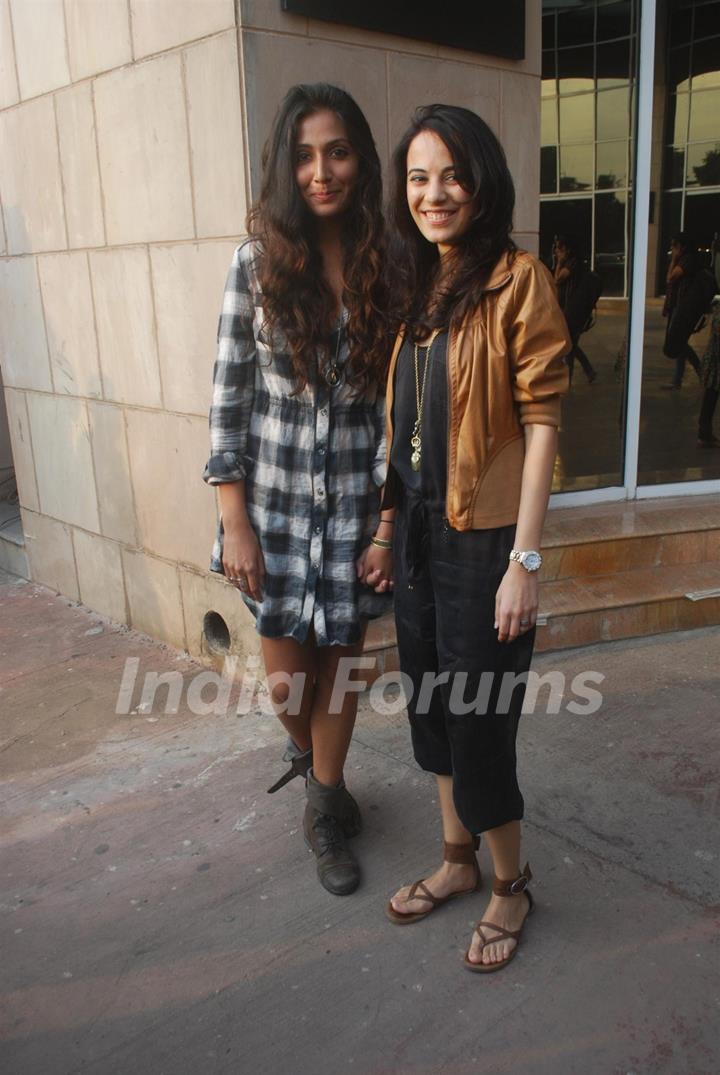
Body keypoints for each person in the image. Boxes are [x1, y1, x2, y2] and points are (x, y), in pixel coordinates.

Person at [375, 104, 570, 972]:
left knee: (481, 718)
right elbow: (407, 428)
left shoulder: (516, 280)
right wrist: (387, 528)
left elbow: (542, 424)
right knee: (431, 707)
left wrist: (524, 561)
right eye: (418, 177)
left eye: (450, 173)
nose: (434, 192)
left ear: (482, 178)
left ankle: (510, 882)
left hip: (486, 541)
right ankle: (457, 861)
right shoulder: (423, 284)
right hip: (419, 533)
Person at [203, 83, 394, 897]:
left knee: (342, 670)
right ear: (287, 163)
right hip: (274, 514)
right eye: (306, 154)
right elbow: (228, 398)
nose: (323, 171)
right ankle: (316, 760)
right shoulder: (254, 265)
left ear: (361, 160)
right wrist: (233, 519)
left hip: (356, 503)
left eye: (339, 151)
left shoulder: (393, 260)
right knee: (289, 683)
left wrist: (388, 523)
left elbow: (403, 405)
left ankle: (323, 807)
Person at [552, 234, 598, 385]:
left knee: (569, 345)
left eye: (559, 249)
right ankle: (588, 372)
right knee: (571, 344)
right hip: (569, 310)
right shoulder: (572, 263)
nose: (557, 252)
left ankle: (570, 378)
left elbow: (557, 279)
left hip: (573, 312)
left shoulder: (573, 264)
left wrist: (559, 262)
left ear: (567, 250)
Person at [661, 232, 702, 390]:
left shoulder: (687, 260)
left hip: (683, 308)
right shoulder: (685, 259)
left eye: (674, 245)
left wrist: (673, 259)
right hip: (678, 306)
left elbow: (670, 278)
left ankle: (699, 372)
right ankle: (678, 379)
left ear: (682, 246)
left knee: (678, 342)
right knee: (680, 342)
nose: (672, 248)